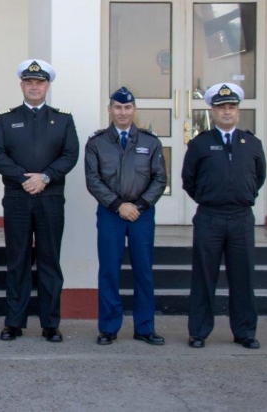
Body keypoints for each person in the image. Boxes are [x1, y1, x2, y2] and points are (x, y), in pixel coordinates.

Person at [0, 59, 79, 342]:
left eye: (39, 82)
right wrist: (23, 178)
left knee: (50, 261)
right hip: (17, 198)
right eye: (29, 82)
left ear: (47, 86)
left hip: (50, 198)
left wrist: (46, 177)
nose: (34, 86)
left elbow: (70, 154)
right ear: (22, 85)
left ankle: (50, 323)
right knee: (18, 260)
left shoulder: (63, 119)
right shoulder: (6, 118)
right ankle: (14, 322)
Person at [182, 83, 265, 349]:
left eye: (231, 107)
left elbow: (259, 176)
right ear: (213, 111)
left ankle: (244, 332)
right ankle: (199, 331)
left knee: (243, 278)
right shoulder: (200, 143)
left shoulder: (252, 143)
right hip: (210, 217)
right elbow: (189, 180)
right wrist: (210, 197)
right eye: (221, 108)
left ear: (238, 111)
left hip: (241, 217)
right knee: (204, 276)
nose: (227, 112)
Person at [84, 87, 167, 346]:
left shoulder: (150, 142)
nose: (122, 112)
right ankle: (108, 327)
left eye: (127, 107)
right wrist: (119, 205)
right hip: (111, 213)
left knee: (144, 271)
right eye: (117, 108)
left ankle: (145, 327)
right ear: (110, 110)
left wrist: (138, 206)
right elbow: (93, 180)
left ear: (134, 110)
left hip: (141, 215)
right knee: (109, 270)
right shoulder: (97, 143)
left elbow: (159, 179)